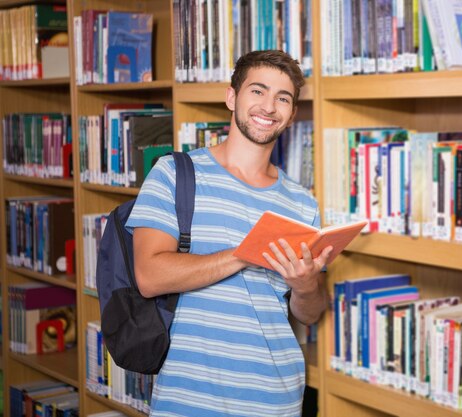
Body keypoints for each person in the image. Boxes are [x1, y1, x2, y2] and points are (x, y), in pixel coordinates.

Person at [126, 50, 331, 417]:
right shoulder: (174, 174)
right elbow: (149, 276)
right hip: (187, 399)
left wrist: (305, 286)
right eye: (257, 91)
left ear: (292, 113)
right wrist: (244, 252)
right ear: (232, 97)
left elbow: (311, 315)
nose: (269, 107)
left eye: (283, 98)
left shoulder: (302, 204)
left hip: (275, 399)